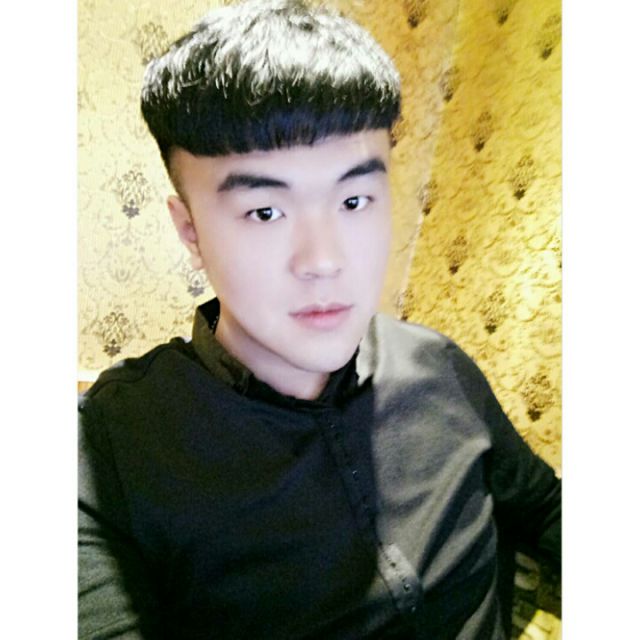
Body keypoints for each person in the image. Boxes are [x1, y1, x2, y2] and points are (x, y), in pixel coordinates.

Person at [78, 1, 561, 638]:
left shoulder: (435, 363)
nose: (325, 261)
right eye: (265, 212)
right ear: (190, 230)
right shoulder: (110, 446)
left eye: (355, 200)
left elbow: (546, 510)